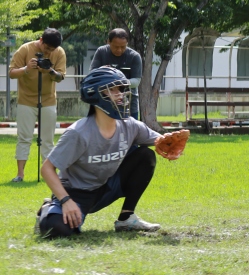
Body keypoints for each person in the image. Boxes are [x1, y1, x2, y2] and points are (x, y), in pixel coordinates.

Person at [35, 66, 178, 238]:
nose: (120, 95)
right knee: (55, 229)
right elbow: (47, 169)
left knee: (145, 156)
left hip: (107, 187)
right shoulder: (78, 133)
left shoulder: (130, 124)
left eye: (122, 89)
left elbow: (159, 141)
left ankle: (126, 218)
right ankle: (48, 209)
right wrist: (66, 201)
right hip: (76, 193)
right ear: (95, 94)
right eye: (113, 90)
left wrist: (170, 141)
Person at [9, 28, 67, 183]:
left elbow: (61, 76)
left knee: (47, 140)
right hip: (26, 100)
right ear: (41, 40)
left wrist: (49, 71)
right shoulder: (25, 49)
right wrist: (27, 68)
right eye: (46, 48)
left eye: (52, 50)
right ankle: (20, 174)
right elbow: (12, 72)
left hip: (48, 100)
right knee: (24, 137)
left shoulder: (59, 52)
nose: (48, 52)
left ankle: (49, 174)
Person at [90, 29, 143, 120]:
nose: (119, 50)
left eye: (123, 47)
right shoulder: (101, 52)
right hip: (104, 103)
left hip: (129, 105)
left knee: (130, 133)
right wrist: (102, 70)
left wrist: (116, 83)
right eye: (116, 46)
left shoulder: (134, 56)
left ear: (127, 43)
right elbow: (92, 73)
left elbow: (136, 81)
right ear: (108, 42)